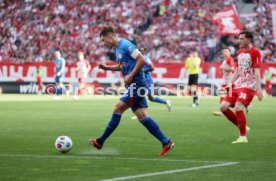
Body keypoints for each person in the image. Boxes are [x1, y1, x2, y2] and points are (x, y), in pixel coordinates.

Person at [89, 27, 174, 156]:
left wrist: (131, 75)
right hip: (133, 84)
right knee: (142, 115)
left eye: (103, 39)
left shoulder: (126, 45)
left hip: (137, 84)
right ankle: (166, 142)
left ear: (110, 35)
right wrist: (107, 68)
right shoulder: (118, 49)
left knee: (118, 108)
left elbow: (142, 60)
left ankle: (100, 141)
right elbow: (121, 66)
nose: (103, 43)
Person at [220, 30, 263, 143]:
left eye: (242, 39)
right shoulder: (240, 52)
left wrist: (258, 89)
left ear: (248, 39)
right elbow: (238, 69)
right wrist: (231, 83)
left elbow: (257, 72)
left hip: (249, 84)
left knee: (238, 106)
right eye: (239, 38)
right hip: (238, 83)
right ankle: (242, 126)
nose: (239, 41)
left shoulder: (255, 52)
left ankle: (243, 137)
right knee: (223, 107)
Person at [213, 48, 235, 116]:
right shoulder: (224, 60)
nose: (225, 53)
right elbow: (224, 71)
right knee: (226, 96)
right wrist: (222, 71)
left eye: (227, 51)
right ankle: (223, 111)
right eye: (224, 51)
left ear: (230, 53)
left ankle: (223, 111)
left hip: (229, 81)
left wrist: (224, 69)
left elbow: (232, 69)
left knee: (225, 96)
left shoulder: (229, 59)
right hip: (225, 80)